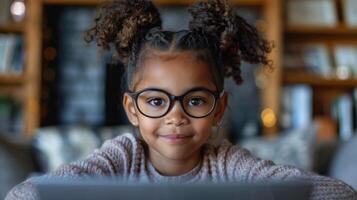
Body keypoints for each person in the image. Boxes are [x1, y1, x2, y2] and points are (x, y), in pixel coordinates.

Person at [6, 0, 357, 199]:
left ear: (218, 108)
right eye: (156, 102)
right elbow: (22, 196)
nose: (176, 116)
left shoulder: (228, 164)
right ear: (132, 109)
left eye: (195, 101)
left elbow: (340, 194)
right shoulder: (121, 158)